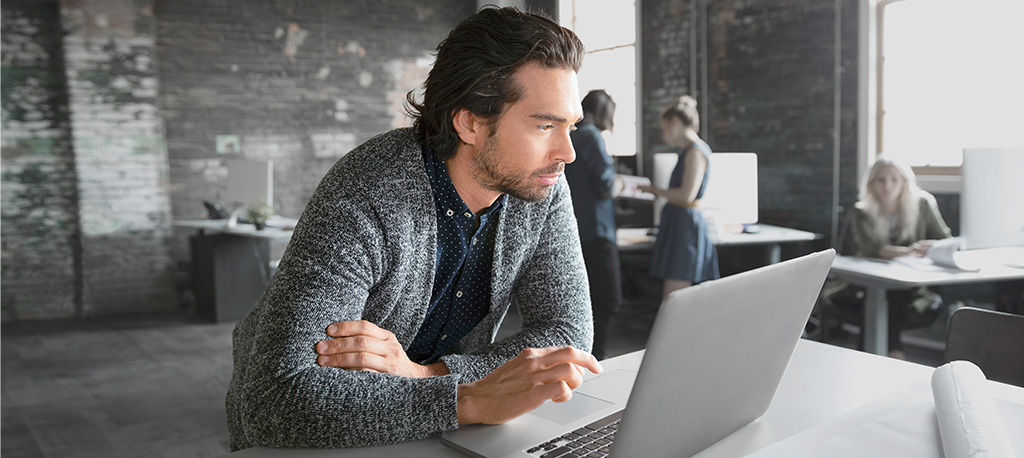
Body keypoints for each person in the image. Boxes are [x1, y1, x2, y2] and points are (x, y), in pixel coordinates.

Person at [225, 7, 602, 450]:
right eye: (545, 125)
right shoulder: (367, 190)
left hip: (432, 431)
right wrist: (469, 400)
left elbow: (567, 333)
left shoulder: (540, 185)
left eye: (571, 126)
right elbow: (277, 399)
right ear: (471, 123)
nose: (568, 152)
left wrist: (430, 375)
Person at [850, 156, 952, 359]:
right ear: (871, 183)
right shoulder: (861, 211)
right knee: (885, 295)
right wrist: (909, 251)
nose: (888, 186)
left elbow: (945, 239)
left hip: (914, 282)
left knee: (888, 300)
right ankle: (894, 354)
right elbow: (872, 248)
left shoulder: (922, 204)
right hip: (872, 279)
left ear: (904, 181)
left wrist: (930, 247)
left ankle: (866, 359)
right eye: (881, 180)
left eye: (894, 179)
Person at [639, 95, 719, 300]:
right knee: (675, 292)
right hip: (679, 224)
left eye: (665, 128)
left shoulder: (695, 152)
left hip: (685, 227)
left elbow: (686, 194)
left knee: (675, 296)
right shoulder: (688, 151)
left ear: (675, 122)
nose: (665, 135)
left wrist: (656, 190)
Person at [564, 89, 621, 361]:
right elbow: (606, 185)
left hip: (575, 229)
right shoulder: (591, 136)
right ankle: (596, 358)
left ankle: (583, 358)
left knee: (583, 301)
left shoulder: (571, 136)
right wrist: (621, 182)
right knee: (608, 299)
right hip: (597, 230)